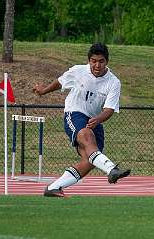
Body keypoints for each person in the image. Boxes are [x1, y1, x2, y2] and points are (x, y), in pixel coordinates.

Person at [33, 43, 131, 197]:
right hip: (74, 113)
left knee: (89, 160)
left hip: (95, 119)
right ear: (89, 60)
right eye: (93, 61)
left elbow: (109, 110)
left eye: (101, 61)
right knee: (87, 136)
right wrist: (44, 90)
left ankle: (53, 188)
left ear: (107, 62)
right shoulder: (78, 71)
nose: (97, 65)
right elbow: (60, 82)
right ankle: (112, 169)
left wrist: (98, 119)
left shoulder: (114, 82)